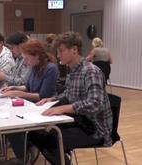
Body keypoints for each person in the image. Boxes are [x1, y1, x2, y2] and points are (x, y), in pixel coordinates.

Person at [30, 31, 112, 165]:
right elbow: (69, 93)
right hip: (80, 121)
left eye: (61, 51)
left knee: (48, 140)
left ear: (74, 50)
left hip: (96, 129)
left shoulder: (90, 71)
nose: (57, 55)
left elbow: (95, 103)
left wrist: (63, 108)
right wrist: (52, 99)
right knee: (37, 134)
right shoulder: (73, 70)